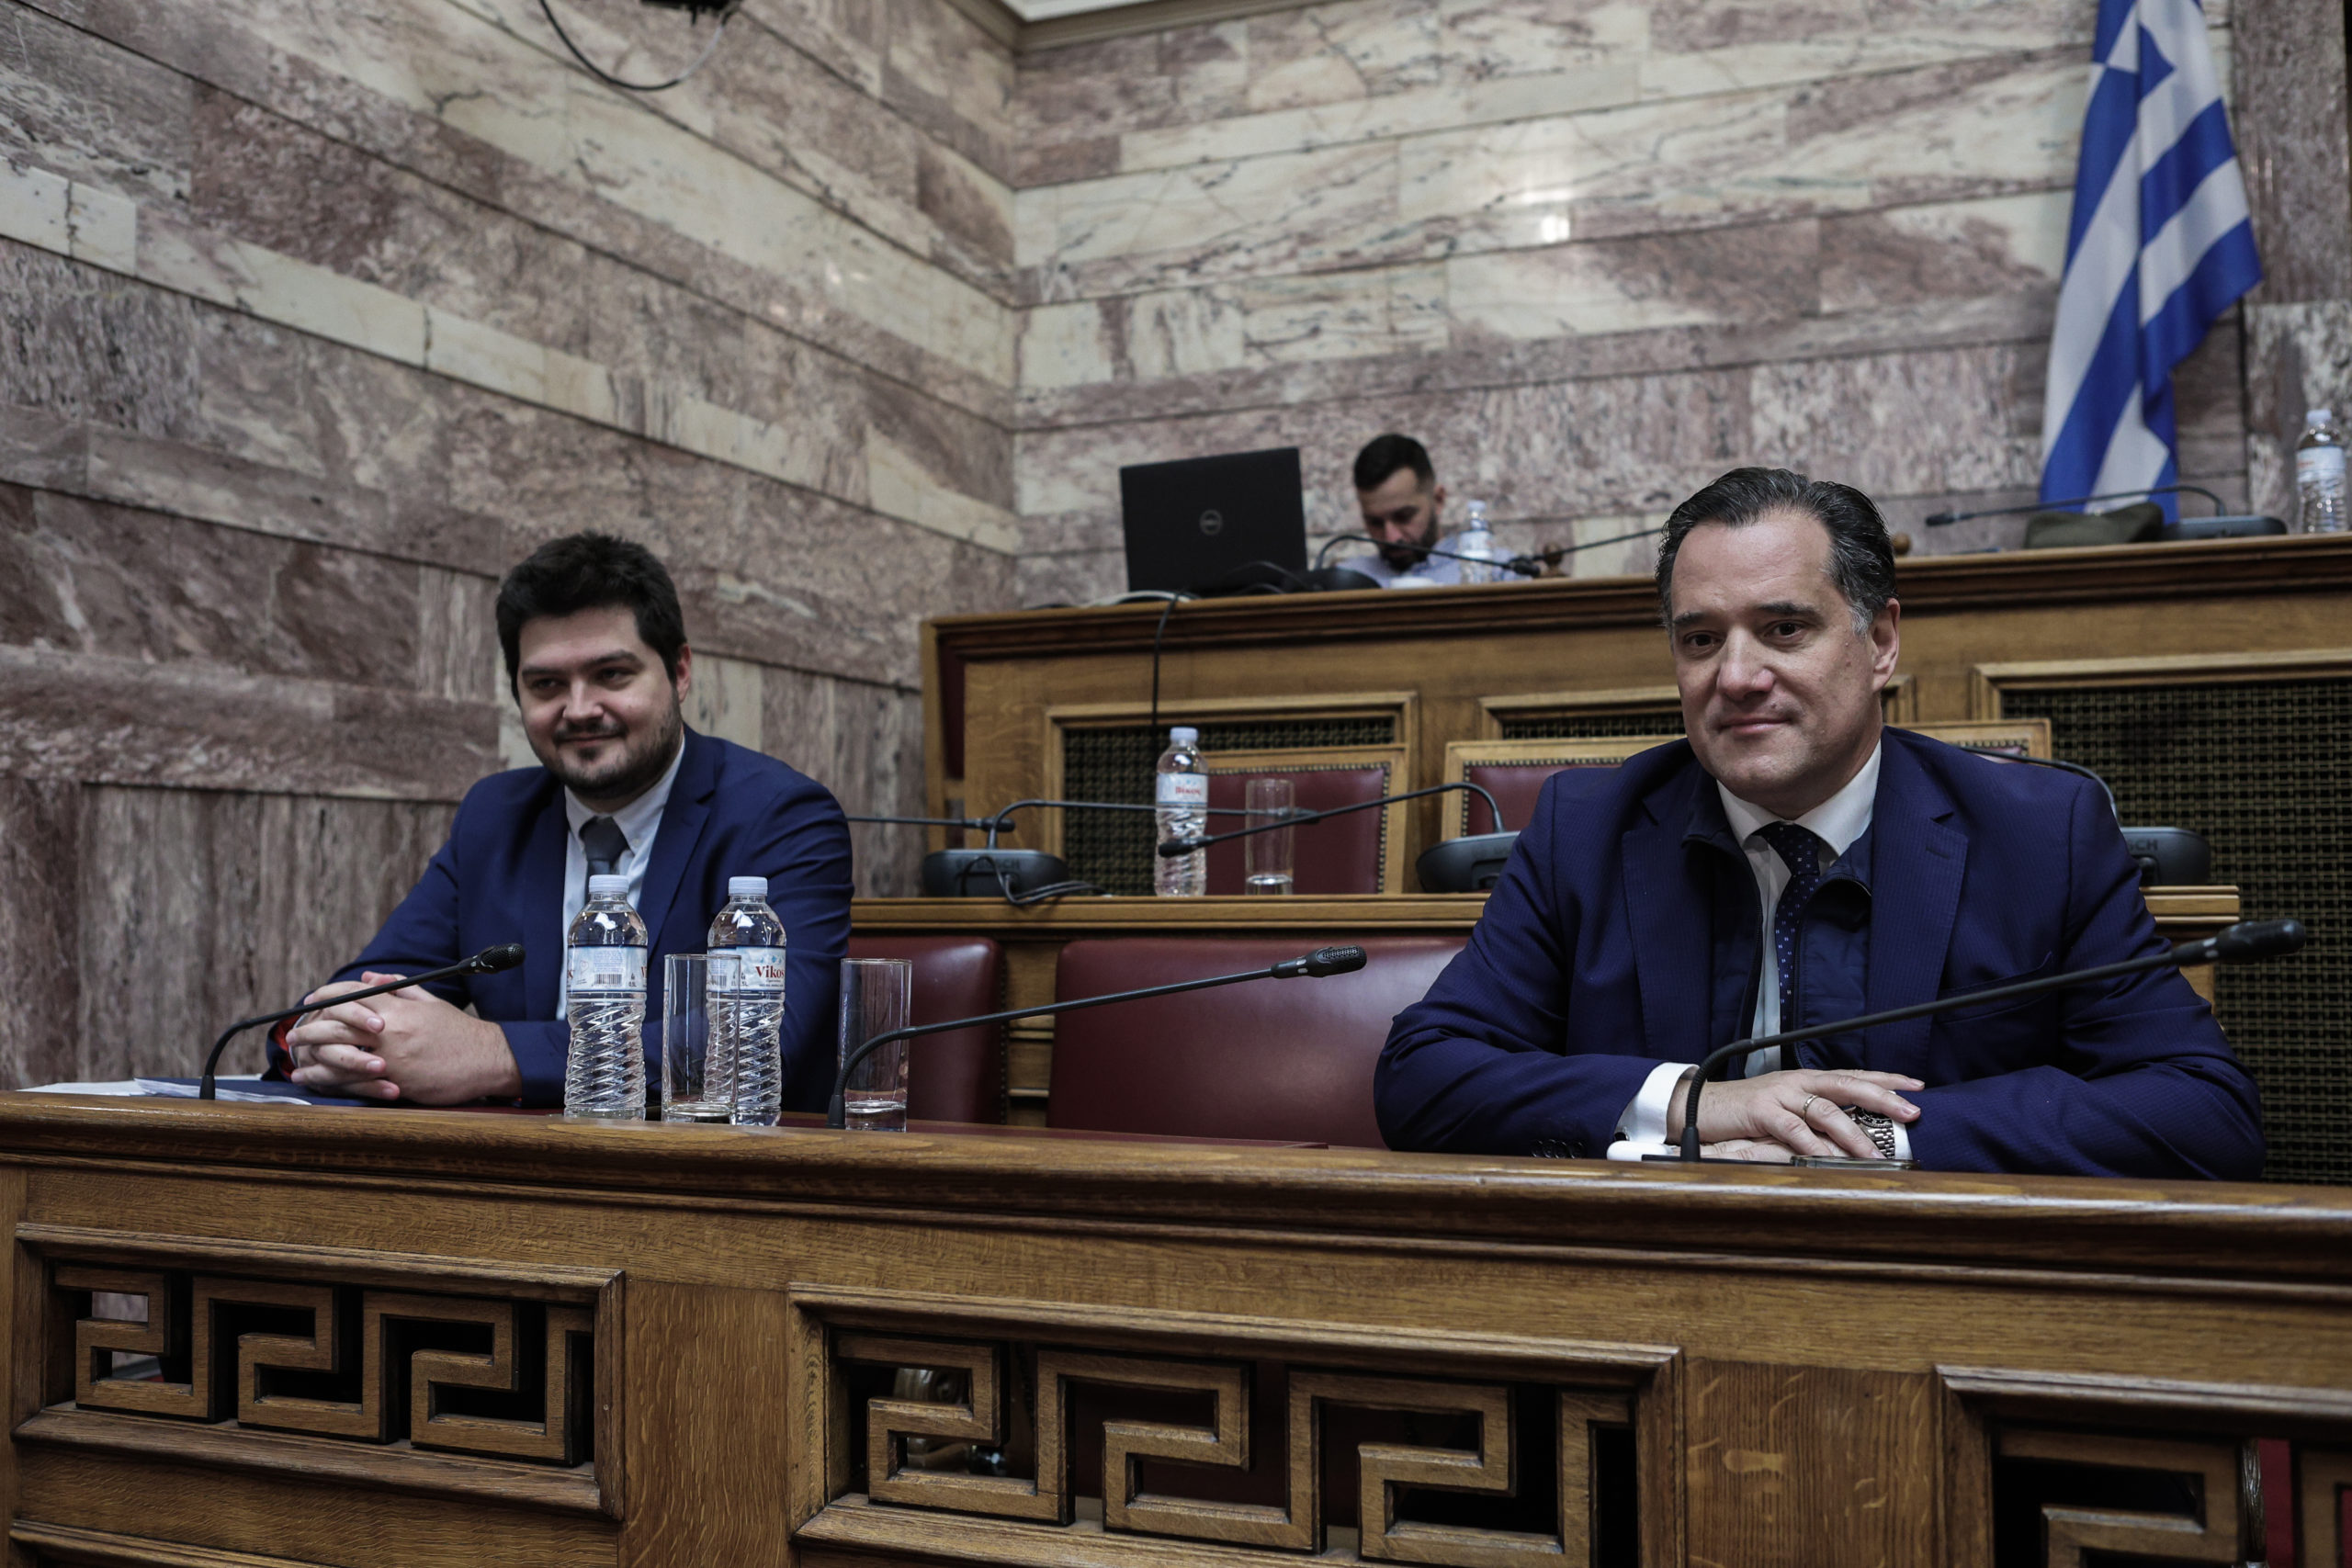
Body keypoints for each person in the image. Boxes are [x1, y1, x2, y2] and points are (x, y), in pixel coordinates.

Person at [1375, 468, 2263, 1179]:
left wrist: (1865, 1137)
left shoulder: (2040, 836)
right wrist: (1692, 1101)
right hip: (1653, 1283)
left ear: (1880, 643)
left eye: (1784, 628)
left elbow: (2203, 1111)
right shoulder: (1586, 828)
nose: (1736, 676)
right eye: (1700, 639)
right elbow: (1424, 1074)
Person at [279, 533, 853, 1111]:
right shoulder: (496, 816)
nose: (579, 709)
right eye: (547, 684)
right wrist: (319, 1039)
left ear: (679, 672)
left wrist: (494, 1054)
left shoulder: (781, 815)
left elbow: (765, 1041)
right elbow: (366, 990)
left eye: (612, 674)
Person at [1347, 434, 1461, 587]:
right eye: (1375, 522)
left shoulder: (1487, 573)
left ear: (1438, 500)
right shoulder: (1347, 581)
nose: (1391, 538)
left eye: (1403, 517)